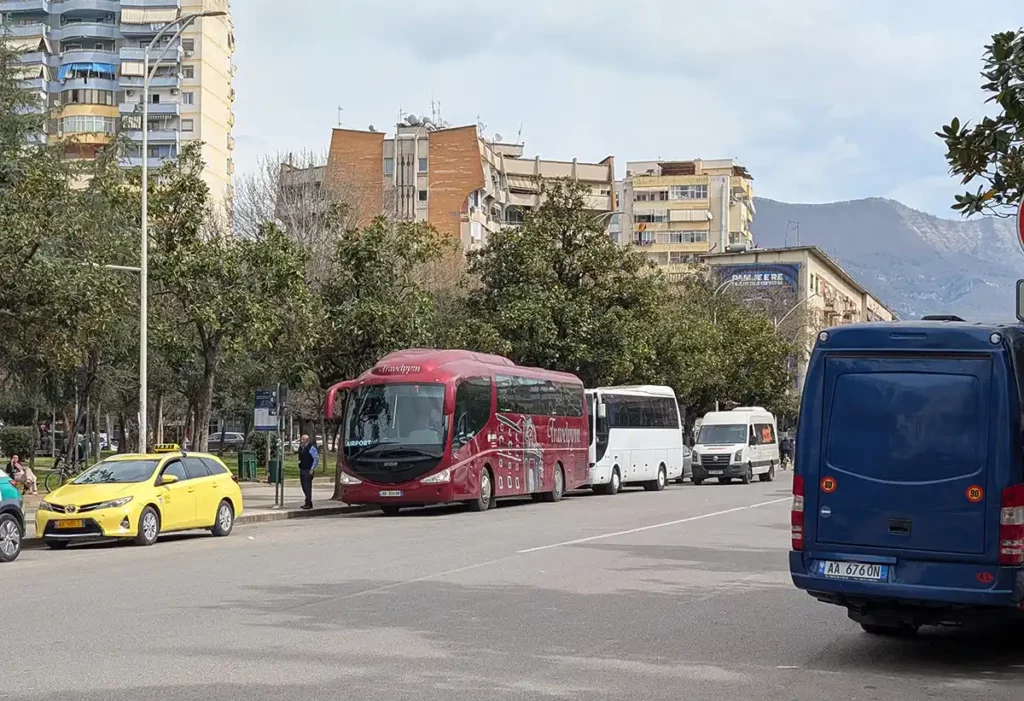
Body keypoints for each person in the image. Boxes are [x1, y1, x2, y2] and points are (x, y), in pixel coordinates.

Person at [298, 434, 319, 510]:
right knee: (304, 487)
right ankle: (307, 502)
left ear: (307, 440)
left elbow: (316, 458)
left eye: (303, 440)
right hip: (302, 469)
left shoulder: (311, 448)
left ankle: (308, 503)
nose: (302, 441)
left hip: (308, 470)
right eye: (301, 439)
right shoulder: (301, 448)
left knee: (307, 487)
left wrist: (312, 469)